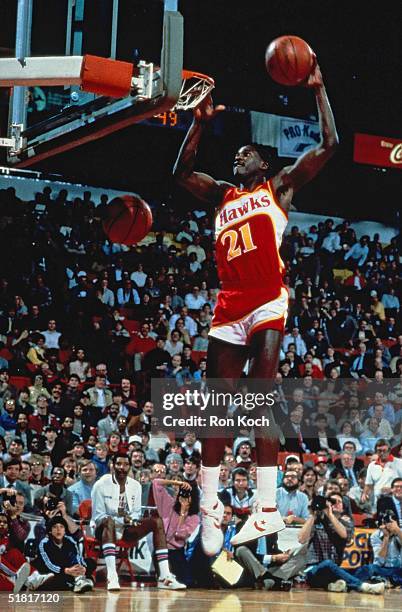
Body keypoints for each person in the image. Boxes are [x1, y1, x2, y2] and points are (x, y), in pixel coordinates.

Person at [174, 59, 338, 554]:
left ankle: (266, 508)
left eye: (245, 155)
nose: (237, 160)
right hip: (229, 305)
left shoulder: (278, 188)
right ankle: (210, 509)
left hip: (267, 298)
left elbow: (329, 146)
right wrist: (198, 126)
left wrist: (319, 90)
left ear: (263, 165)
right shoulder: (223, 195)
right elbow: (180, 172)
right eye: (236, 155)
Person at [91, 452, 186, 591]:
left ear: (129, 467)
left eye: (125, 464)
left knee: (157, 522)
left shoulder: (135, 486)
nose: (122, 467)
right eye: (118, 464)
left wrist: (133, 521)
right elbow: (98, 515)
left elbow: (135, 513)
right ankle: (112, 576)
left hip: (125, 527)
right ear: (112, 466)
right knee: (109, 520)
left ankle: (164, 577)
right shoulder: (101, 484)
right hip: (103, 528)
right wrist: (122, 518)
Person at [298, 492, 384, 594]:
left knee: (366, 569)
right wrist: (313, 514)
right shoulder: (316, 521)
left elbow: (343, 534)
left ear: (343, 507)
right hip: (313, 569)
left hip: (334, 568)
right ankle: (362, 586)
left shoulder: (346, 522)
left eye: (339, 502)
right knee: (328, 564)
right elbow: (301, 539)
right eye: (333, 502)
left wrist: (330, 514)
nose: (336, 504)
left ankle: (335, 585)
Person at [152, 478, 200, 585]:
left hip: (176, 552)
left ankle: (165, 577)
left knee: (187, 582)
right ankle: (163, 576)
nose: (184, 496)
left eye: (188, 494)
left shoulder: (194, 517)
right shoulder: (169, 504)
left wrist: (183, 512)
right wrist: (178, 483)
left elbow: (179, 534)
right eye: (182, 492)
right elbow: (156, 482)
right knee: (170, 581)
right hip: (161, 550)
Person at [30, 515, 95, 593]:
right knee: (54, 579)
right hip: (51, 570)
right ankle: (78, 581)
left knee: (91, 562)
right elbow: (48, 565)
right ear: (50, 531)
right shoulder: (44, 543)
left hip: (68, 568)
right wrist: (66, 570)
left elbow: (77, 557)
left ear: (64, 530)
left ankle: (79, 579)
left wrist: (81, 568)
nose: (58, 530)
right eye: (55, 527)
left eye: (61, 527)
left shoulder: (70, 540)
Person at [353, 508, 402, 587]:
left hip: (399, 569)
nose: (388, 525)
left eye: (391, 522)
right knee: (369, 568)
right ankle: (351, 583)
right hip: (383, 569)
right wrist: (386, 538)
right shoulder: (376, 535)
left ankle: (383, 580)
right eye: (386, 522)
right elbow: (379, 562)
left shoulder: (400, 531)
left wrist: (397, 530)